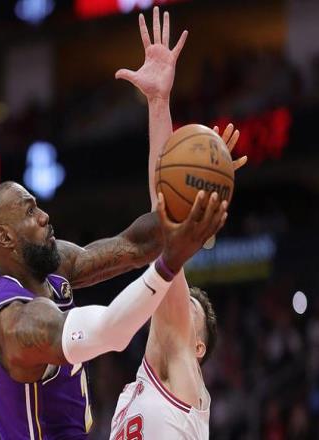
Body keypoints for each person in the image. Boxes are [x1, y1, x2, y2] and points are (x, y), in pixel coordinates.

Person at [0, 107, 227, 440]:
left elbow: (134, 245)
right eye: (30, 212)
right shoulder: (19, 326)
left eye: (38, 205)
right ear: (6, 237)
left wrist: (195, 191)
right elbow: (112, 330)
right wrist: (167, 265)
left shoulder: (50, 266)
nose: (44, 216)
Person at [110, 8, 247, 439]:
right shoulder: (135, 389)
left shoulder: (183, 367)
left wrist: (158, 104)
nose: (174, 298)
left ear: (198, 347)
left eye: (187, 305)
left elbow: (162, 211)